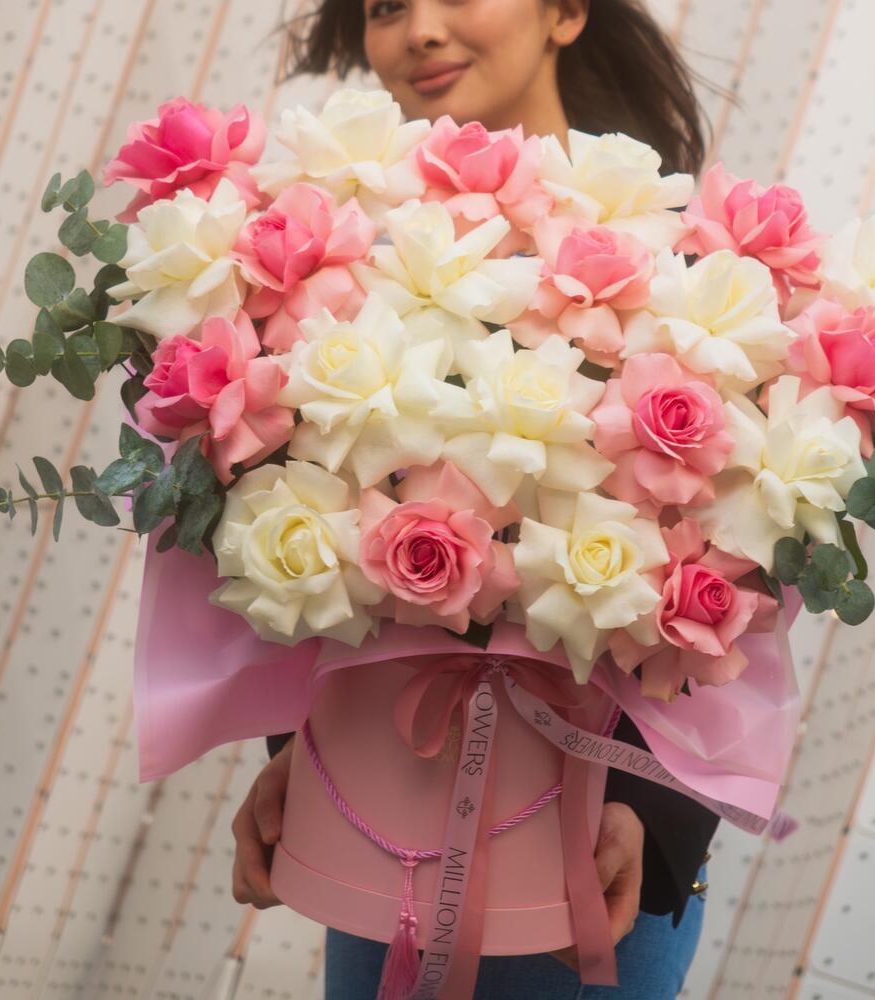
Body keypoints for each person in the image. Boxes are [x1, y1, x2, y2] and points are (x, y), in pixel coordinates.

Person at [231, 1, 730, 996]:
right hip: (382, 824)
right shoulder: (347, 267)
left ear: (565, 11)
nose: (420, 29)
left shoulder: (679, 275)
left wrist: (646, 809)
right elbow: (302, 541)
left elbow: (731, 593)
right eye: (385, 6)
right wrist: (308, 750)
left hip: (598, 849)